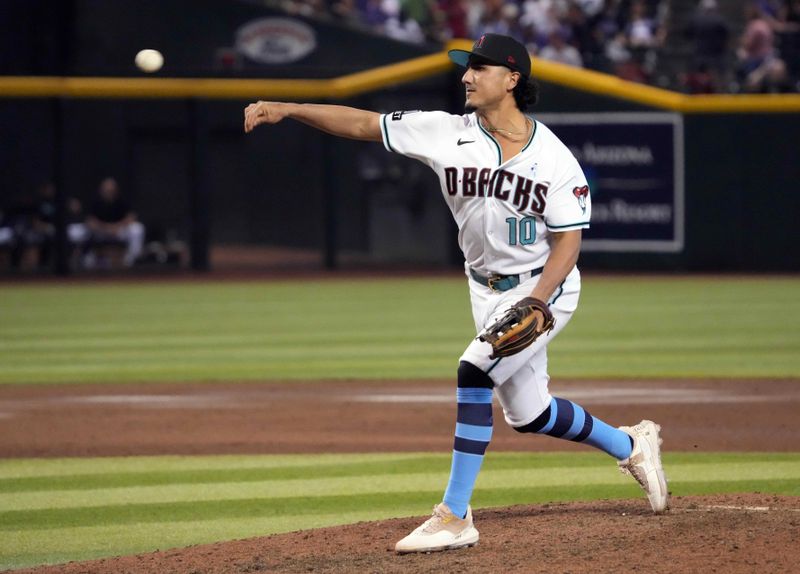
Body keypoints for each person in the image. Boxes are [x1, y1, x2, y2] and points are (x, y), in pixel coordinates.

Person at [244, 33, 668, 554]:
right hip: (484, 289)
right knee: (529, 414)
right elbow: (362, 123)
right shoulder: (444, 132)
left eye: (480, 68)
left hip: (543, 287)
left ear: (512, 80)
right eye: (466, 68)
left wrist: (539, 300)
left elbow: (568, 243)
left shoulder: (555, 159)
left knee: (473, 371)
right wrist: (287, 108)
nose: (466, 76)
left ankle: (454, 515)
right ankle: (630, 444)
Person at [84, 177, 145, 268]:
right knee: (77, 231)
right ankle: (86, 259)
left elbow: (131, 217)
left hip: (118, 231)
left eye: (111, 190)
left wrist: (116, 227)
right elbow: (89, 221)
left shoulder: (121, 201)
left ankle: (131, 261)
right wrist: (105, 228)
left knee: (137, 229)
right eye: (107, 190)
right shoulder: (95, 202)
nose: (109, 192)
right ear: (101, 190)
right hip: (101, 231)